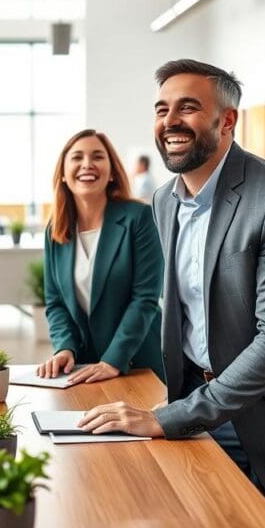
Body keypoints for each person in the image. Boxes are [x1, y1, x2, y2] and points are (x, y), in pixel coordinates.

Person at [79, 59, 265, 525]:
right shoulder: (165, 199)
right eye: (162, 109)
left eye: (188, 108)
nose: (170, 122)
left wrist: (177, 415)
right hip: (200, 411)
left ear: (227, 121)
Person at [36, 129, 164, 384]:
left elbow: (145, 299)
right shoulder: (56, 229)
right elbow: (56, 302)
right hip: (82, 369)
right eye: (77, 157)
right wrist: (65, 347)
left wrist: (113, 360)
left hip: (136, 364)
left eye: (97, 156)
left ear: (111, 171)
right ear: (62, 172)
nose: (87, 164)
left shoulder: (139, 218)